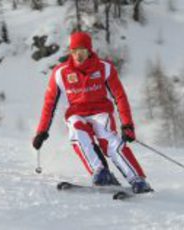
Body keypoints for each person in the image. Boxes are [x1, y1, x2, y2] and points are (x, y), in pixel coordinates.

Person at [32, 31, 152, 193]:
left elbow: (120, 96)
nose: (78, 55)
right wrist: (42, 131)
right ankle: (101, 172)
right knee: (76, 128)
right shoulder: (61, 72)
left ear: (89, 51)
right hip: (77, 113)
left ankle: (137, 179)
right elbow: (49, 103)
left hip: (100, 113)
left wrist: (127, 124)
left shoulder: (105, 68)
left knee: (110, 140)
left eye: (82, 50)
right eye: (74, 51)